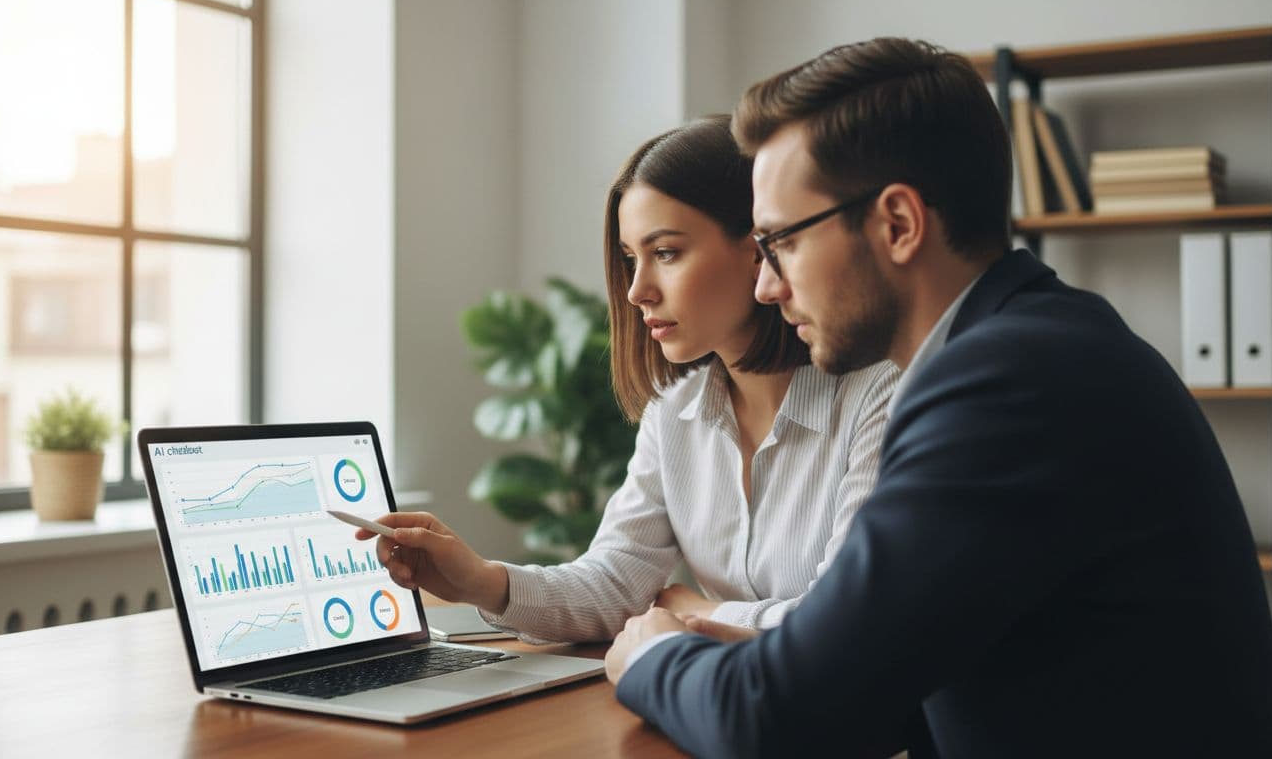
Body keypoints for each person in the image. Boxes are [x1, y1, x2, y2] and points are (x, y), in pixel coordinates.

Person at [605, 38, 1272, 758]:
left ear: (898, 224)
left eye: (781, 244)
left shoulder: (1006, 385)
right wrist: (781, 654)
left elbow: (776, 721)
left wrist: (650, 656)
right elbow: (888, 673)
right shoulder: (1032, 344)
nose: (767, 285)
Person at [356, 116, 898, 643]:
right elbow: (616, 581)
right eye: (629, 258)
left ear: (759, 248)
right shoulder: (676, 412)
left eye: (666, 253)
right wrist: (481, 580)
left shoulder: (878, 395)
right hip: (730, 706)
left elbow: (845, 622)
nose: (637, 290)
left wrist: (700, 611)